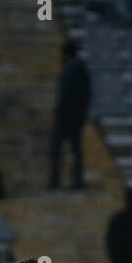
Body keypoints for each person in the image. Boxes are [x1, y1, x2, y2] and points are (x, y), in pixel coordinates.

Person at [48, 40, 90, 190]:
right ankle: (77, 181)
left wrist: (59, 111)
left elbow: (66, 95)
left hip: (67, 116)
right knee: (75, 149)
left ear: (65, 53)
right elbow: (87, 94)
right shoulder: (81, 69)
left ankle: (56, 181)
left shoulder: (71, 70)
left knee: (57, 148)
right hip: (76, 116)